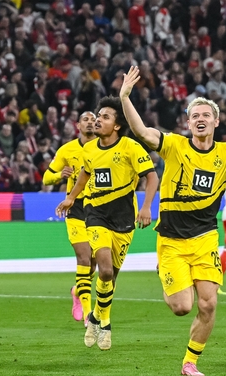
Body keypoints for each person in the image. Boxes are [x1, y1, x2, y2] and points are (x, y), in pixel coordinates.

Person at [120, 66, 226, 376]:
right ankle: (166, 271)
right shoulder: (173, 145)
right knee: (182, 306)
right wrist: (126, 97)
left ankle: (190, 362)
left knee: (208, 305)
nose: (200, 119)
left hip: (205, 238)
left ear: (216, 122)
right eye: (195, 115)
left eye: (206, 115)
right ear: (188, 122)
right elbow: (142, 132)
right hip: (171, 239)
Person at [55, 96, 159, 351]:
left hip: (124, 218)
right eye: (98, 116)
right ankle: (105, 324)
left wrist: (146, 207)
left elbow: (152, 176)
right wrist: (71, 198)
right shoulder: (89, 150)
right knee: (104, 269)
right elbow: (85, 175)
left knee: (111, 276)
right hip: (96, 215)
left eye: (105, 117)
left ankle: (97, 318)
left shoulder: (130, 148)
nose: (98, 120)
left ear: (117, 126)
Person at [43, 111, 98, 325]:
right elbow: (47, 177)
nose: (91, 123)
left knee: (93, 263)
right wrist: (59, 175)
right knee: (84, 258)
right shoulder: (67, 150)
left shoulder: (104, 148)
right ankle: (88, 313)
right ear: (78, 125)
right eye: (86, 120)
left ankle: (77, 290)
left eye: (94, 120)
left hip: (98, 209)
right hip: (75, 208)